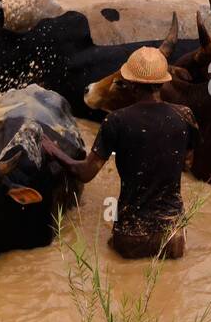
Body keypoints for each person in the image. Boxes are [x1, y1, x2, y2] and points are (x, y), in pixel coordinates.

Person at [40, 47, 198, 259]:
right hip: (175, 238)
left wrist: (54, 151)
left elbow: (86, 173)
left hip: (131, 238)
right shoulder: (185, 116)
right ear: (163, 82)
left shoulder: (116, 121)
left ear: (130, 83)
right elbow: (188, 159)